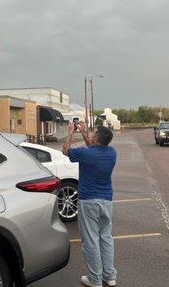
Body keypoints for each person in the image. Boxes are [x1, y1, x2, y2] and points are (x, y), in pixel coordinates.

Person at [62, 121, 117, 287]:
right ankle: (109, 276)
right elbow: (93, 147)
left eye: (93, 134)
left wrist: (72, 132)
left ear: (96, 138)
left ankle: (95, 279)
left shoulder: (86, 154)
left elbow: (65, 151)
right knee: (106, 238)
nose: (91, 136)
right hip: (106, 201)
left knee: (91, 240)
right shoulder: (112, 153)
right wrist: (85, 132)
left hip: (89, 201)